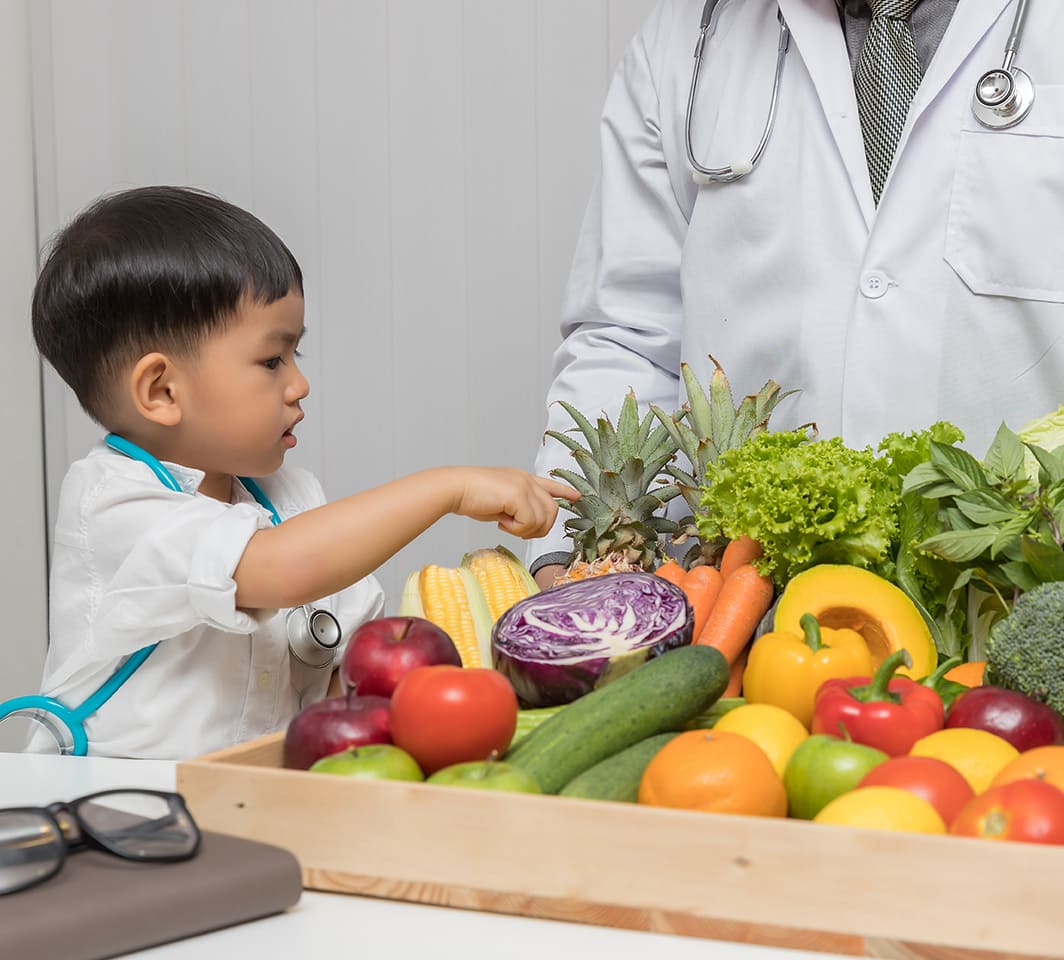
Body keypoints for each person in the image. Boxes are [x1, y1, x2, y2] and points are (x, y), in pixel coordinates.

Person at [27, 185, 576, 760]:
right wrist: (448, 487)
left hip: (256, 800)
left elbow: (347, 675)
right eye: (271, 361)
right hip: (118, 810)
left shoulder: (290, 498)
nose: (299, 384)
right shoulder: (112, 503)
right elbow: (278, 569)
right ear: (162, 390)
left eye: (296, 356)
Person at [528, 0, 1064, 587]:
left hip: (1017, 599)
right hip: (746, 611)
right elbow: (628, 336)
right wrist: (572, 556)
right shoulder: (686, 36)